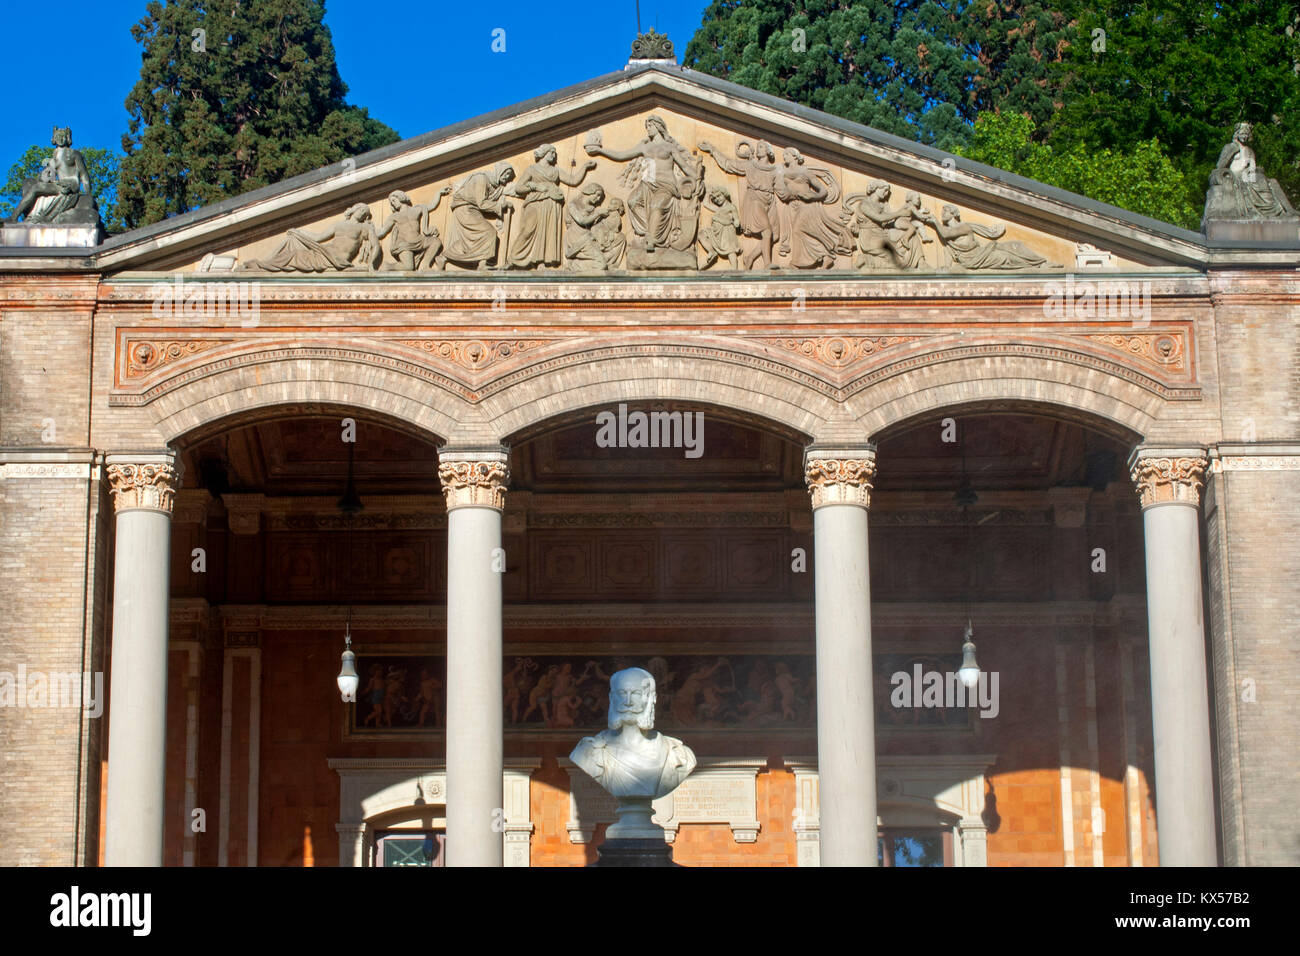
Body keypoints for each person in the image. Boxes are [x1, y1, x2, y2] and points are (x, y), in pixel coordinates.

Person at [569, 667, 696, 800]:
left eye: (635, 693)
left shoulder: (677, 754)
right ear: (612, 698)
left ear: (651, 698)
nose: (628, 702)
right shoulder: (587, 751)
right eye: (622, 693)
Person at [508, 145, 598, 268]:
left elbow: (573, 180)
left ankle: (541, 262)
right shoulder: (532, 169)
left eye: (555, 153)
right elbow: (519, 188)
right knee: (528, 229)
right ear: (544, 153)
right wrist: (535, 186)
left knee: (548, 234)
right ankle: (513, 259)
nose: (554, 155)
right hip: (535, 203)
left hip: (552, 204)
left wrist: (585, 167)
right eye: (552, 152)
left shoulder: (556, 171)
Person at [698, 139, 780, 268]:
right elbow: (728, 164)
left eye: (762, 147)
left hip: (770, 201)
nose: (759, 148)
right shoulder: (751, 165)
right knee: (767, 232)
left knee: (772, 237)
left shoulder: (775, 170)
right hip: (755, 200)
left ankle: (750, 258)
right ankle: (767, 264)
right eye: (758, 146)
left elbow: (783, 191)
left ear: (769, 151)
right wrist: (713, 150)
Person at [243, 203, 379, 272]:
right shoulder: (338, 225)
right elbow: (318, 238)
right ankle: (263, 265)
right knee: (293, 252)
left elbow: (376, 246)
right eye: (361, 209)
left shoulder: (364, 228)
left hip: (337, 260)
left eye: (365, 212)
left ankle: (261, 265)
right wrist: (299, 232)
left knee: (293, 256)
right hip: (324, 253)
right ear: (354, 209)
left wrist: (372, 265)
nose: (362, 212)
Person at [440, 162, 516, 269]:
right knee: (489, 232)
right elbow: (481, 203)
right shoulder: (482, 178)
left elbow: (513, 189)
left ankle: (443, 258)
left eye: (509, 175)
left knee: (469, 240)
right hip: (464, 208)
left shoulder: (496, 186)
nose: (507, 177)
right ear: (500, 171)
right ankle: (482, 264)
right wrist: (500, 205)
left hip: (472, 210)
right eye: (506, 173)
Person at [376, 188, 451, 270]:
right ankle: (387, 266)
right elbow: (382, 231)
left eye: (394, 200)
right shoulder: (394, 216)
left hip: (419, 240)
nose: (393, 204)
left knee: (436, 241)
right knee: (408, 267)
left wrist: (438, 193)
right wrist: (370, 233)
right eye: (391, 203)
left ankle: (424, 265)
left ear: (401, 197)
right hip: (404, 244)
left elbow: (431, 206)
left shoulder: (416, 210)